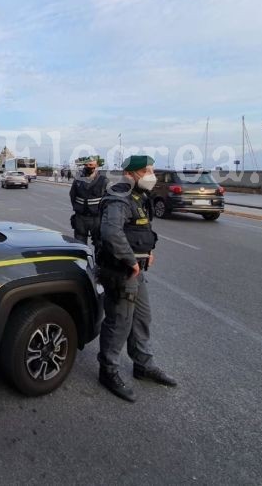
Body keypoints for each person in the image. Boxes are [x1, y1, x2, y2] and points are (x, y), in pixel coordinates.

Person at [95, 155, 177, 402]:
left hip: (137, 270)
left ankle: (143, 365)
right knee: (119, 321)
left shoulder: (139, 196)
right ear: (132, 173)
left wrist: (147, 254)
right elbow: (111, 232)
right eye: (147, 170)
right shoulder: (119, 197)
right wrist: (131, 260)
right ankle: (108, 370)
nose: (153, 175)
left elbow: (140, 231)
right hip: (121, 271)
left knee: (142, 318)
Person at [69, 157, 107, 246]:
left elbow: (107, 200)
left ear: (96, 166)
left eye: (91, 165)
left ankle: (98, 259)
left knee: (99, 244)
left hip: (97, 218)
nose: (88, 167)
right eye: (86, 165)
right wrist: (77, 208)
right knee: (79, 244)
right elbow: (72, 195)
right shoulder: (78, 180)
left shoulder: (104, 181)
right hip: (81, 217)